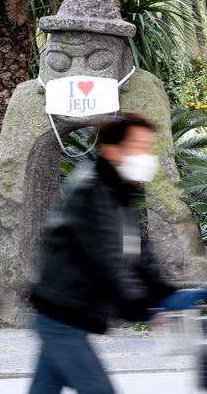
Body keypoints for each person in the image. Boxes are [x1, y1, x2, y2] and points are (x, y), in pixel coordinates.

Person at [29, 113, 176, 394]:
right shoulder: (92, 189)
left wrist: (163, 293)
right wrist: (140, 307)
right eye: (139, 146)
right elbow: (107, 259)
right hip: (62, 316)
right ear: (110, 150)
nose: (146, 155)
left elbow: (139, 251)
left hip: (65, 314)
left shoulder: (120, 191)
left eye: (149, 147)